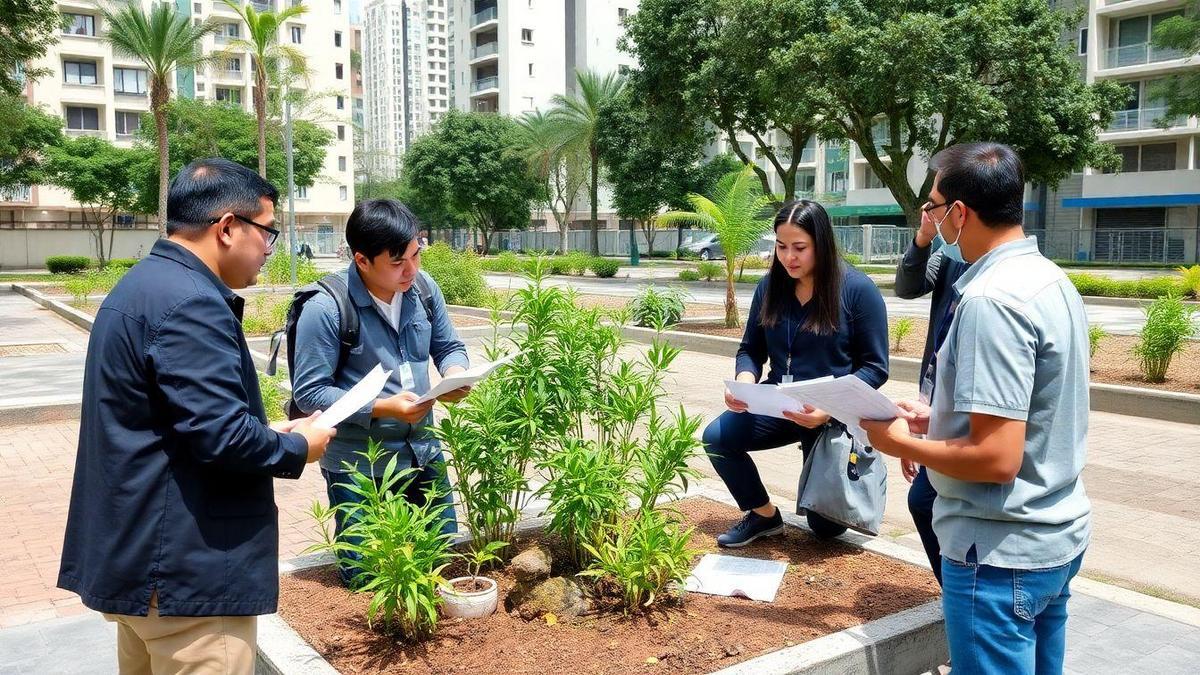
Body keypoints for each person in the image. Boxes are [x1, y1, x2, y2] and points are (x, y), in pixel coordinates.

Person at [57, 158, 337, 673]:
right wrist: (300, 445)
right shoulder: (192, 302)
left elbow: (173, 422)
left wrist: (265, 430)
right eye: (268, 233)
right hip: (189, 578)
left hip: (142, 563)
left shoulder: (141, 286)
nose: (270, 251)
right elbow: (223, 438)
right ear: (228, 227)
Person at [862, 142, 1091, 675]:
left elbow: (996, 458)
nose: (934, 221)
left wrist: (897, 440)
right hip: (1051, 537)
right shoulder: (1050, 280)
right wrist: (937, 419)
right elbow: (1035, 410)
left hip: (998, 554)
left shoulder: (991, 300)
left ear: (960, 214)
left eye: (936, 207)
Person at [291, 198, 470, 586]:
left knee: (439, 560)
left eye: (416, 255)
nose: (411, 270)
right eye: (397, 262)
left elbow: (449, 346)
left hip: (424, 451)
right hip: (361, 467)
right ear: (362, 260)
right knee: (369, 577)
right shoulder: (326, 307)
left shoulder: (422, 289)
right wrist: (382, 408)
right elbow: (309, 393)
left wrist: (455, 375)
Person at [703, 199, 889, 547]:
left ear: (821, 243)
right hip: (778, 402)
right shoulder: (770, 287)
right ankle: (763, 516)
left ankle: (850, 472)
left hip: (829, 415)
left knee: (826, 527)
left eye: (800, 248)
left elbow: (875, 368)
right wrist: (745, 383)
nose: (789, 257)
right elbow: (750, 349)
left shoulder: (857, 290)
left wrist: (828, 411)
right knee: (716, 439)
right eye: (781, 246)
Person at [893, 198, 970, 586]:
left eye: (934, 205)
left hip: (968, 422)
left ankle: (958, 596)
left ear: (960, 210)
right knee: (924, 500)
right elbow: (907, 286)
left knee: (926, 501)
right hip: (937, 403)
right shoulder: (951, 259)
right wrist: (923, 237)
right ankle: (955, 595)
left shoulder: (994, 285)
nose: (930, 213)